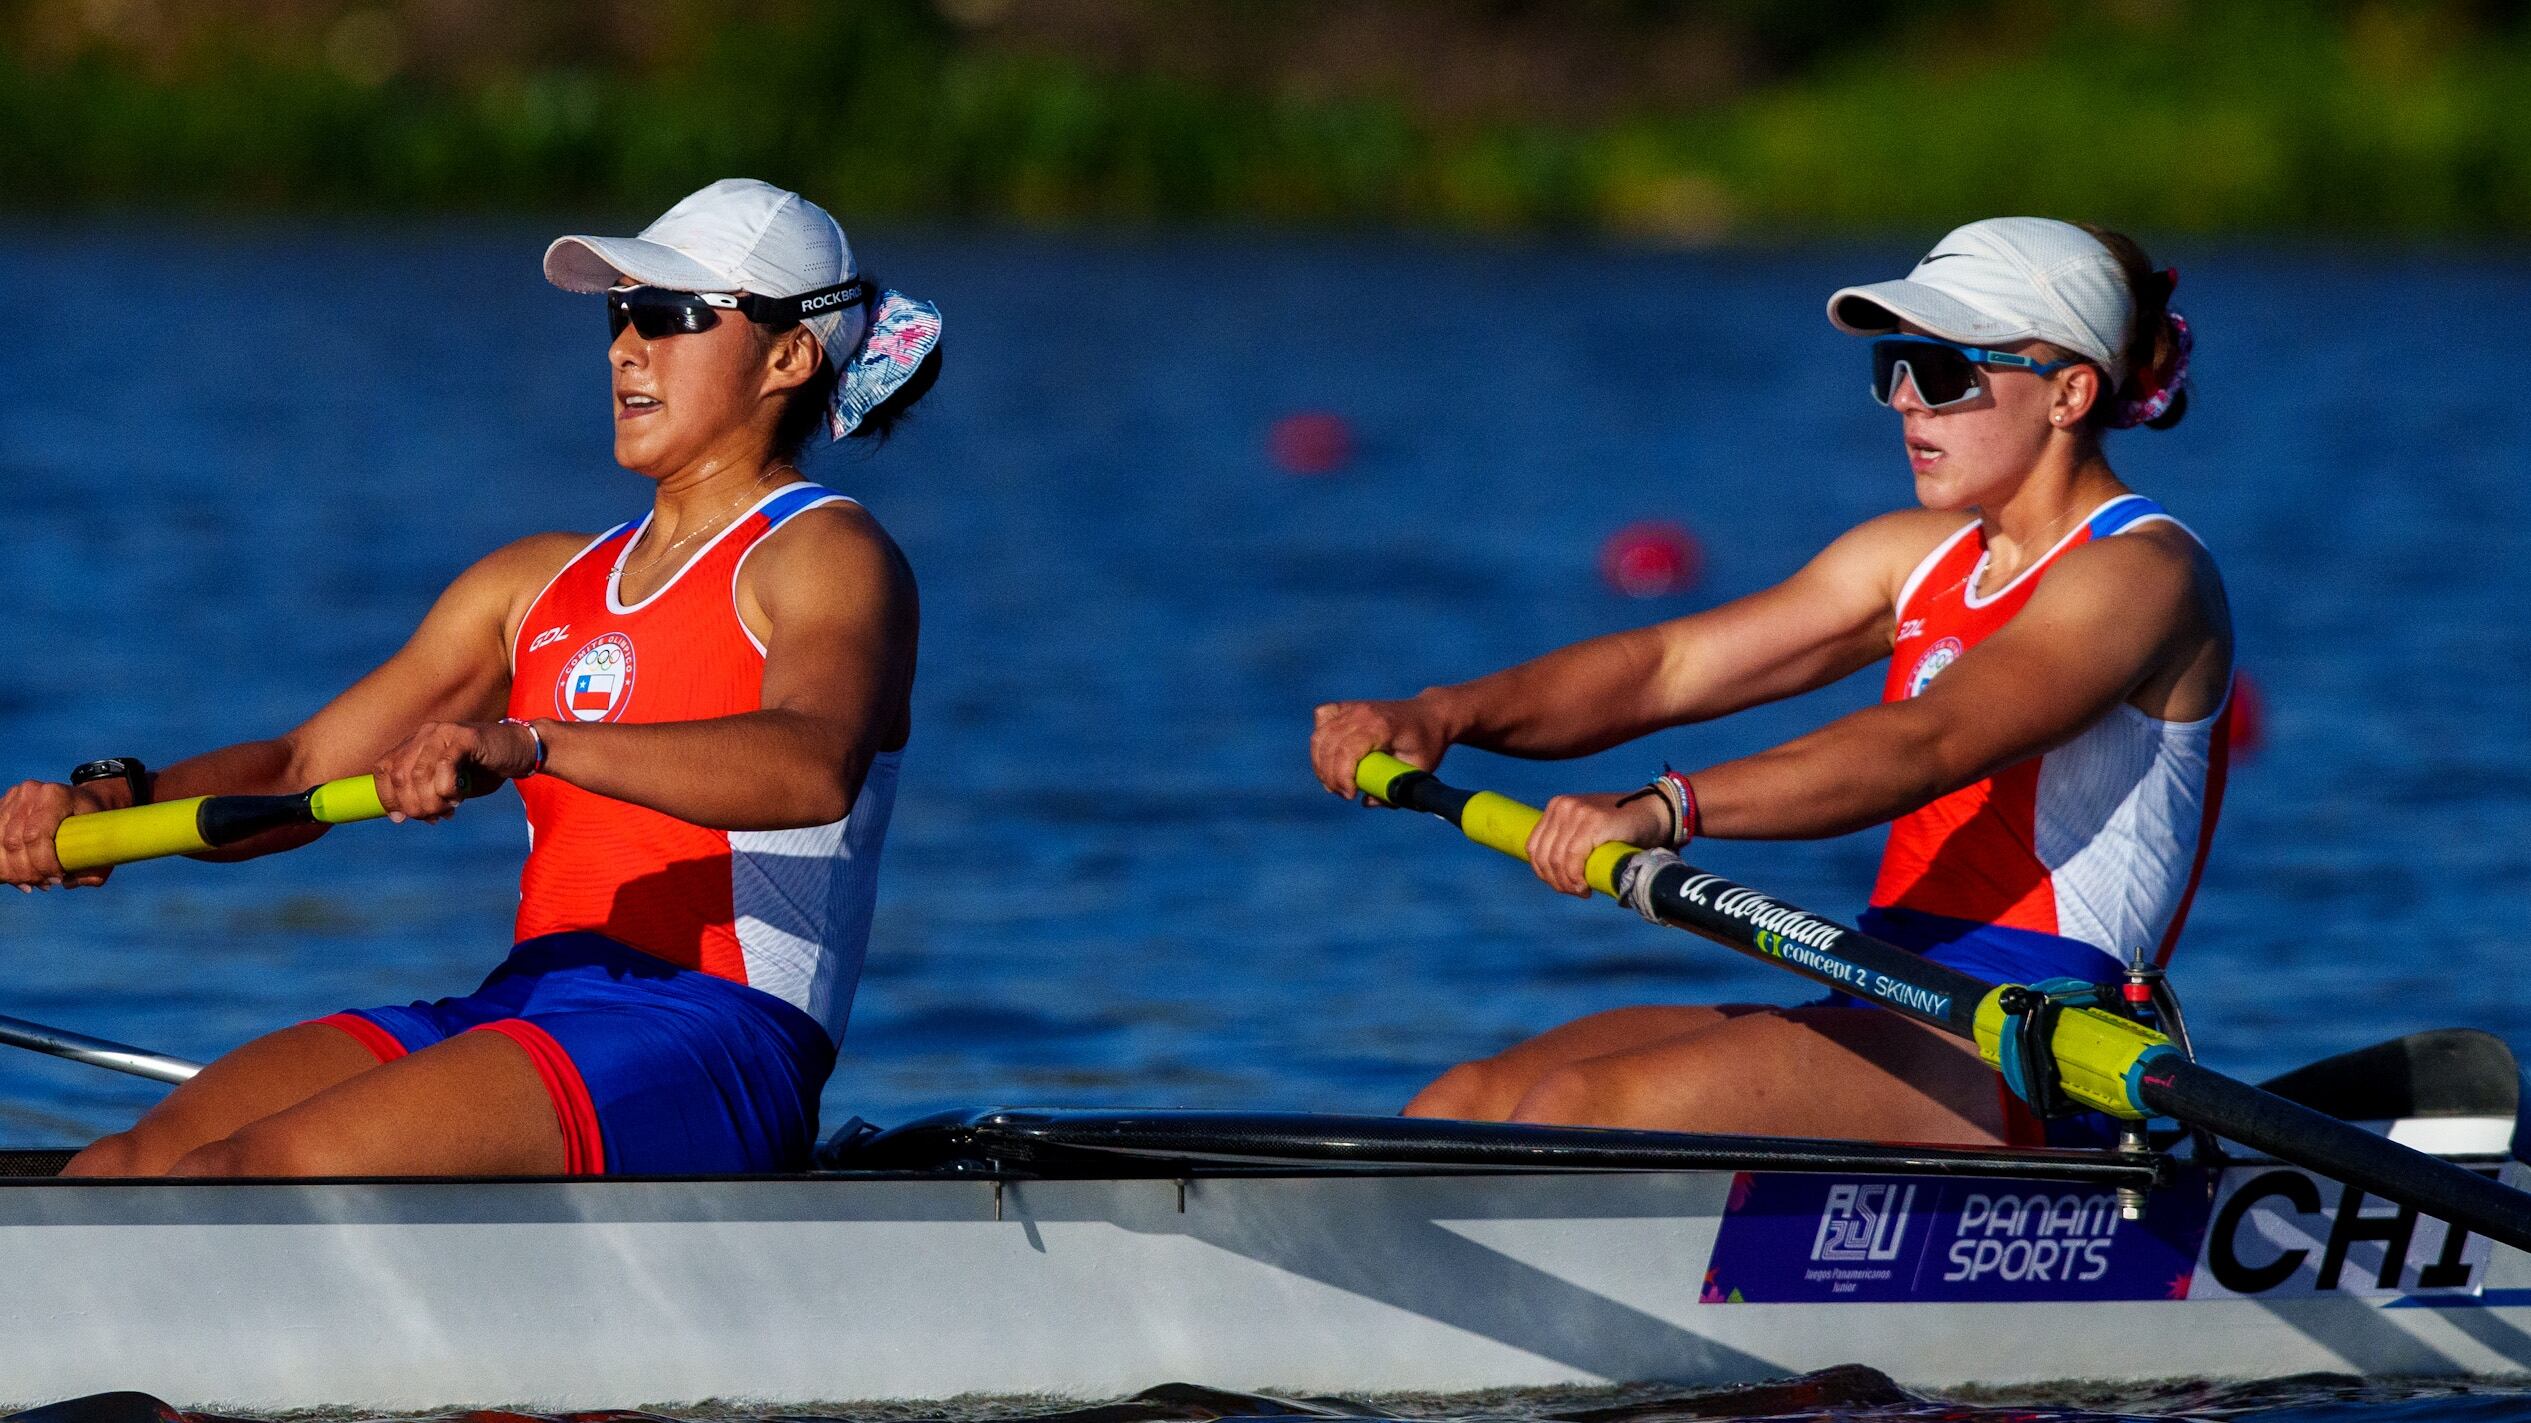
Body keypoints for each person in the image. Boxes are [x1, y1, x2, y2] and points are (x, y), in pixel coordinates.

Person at [0, 178, 944, 1177]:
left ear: (790, 355)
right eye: (621, 314)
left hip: (716, 1036)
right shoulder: (531, 585)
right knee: (115, 1172)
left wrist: (530, 744)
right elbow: (300, 767)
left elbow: (811, 766)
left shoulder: (827, 555)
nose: (626, 347)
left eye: (671, 315)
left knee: (232, 1178)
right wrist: (109, 799)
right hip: (525, 1003)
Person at [1310, 217, 2229, 1148]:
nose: (1905, 402)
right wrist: (1442, 712)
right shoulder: (1912, 557)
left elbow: (1928, 743)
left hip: (2039, 1047)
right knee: (1463, 1102)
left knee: (1577, 1110)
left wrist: (1665, 807)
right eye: (1893, 367)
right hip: (1883, 990)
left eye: (1943, 372)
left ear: (2069, 391)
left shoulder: (2142, 575)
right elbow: (1664, 668)